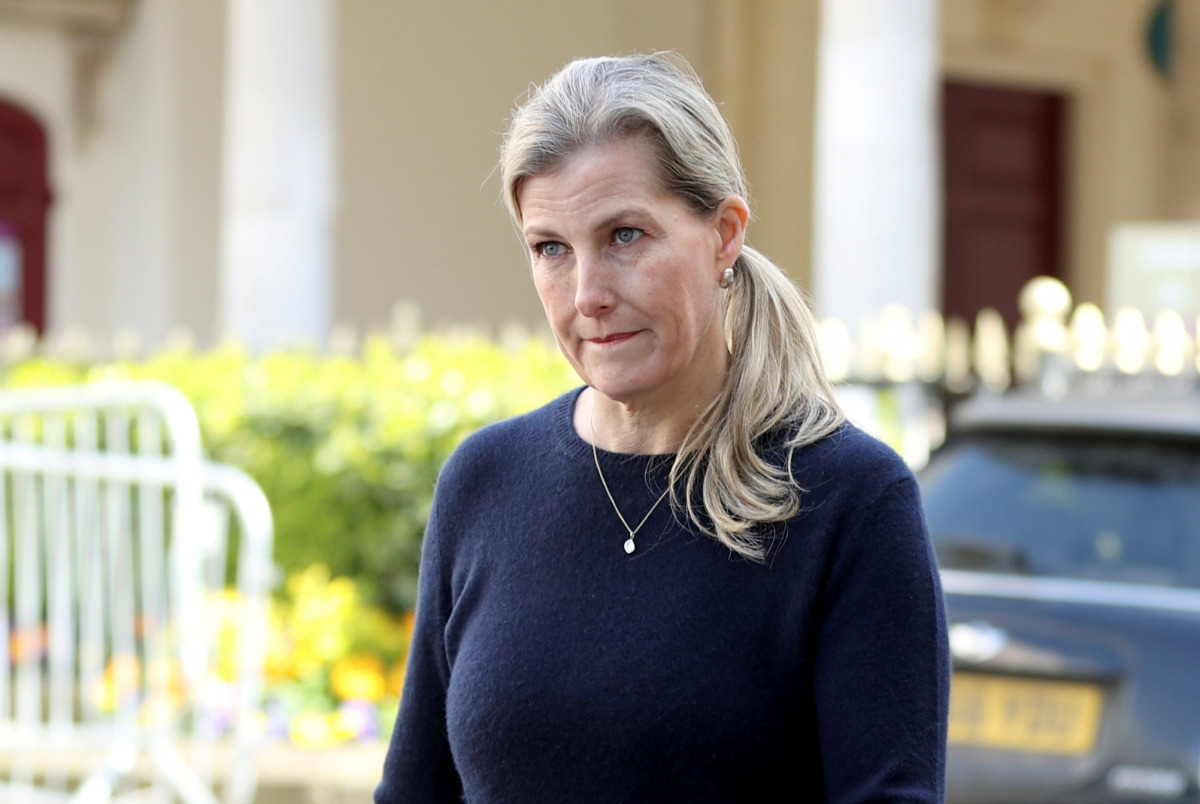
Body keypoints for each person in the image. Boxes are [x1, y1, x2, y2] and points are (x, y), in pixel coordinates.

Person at [375, 52, 948, 803]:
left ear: (724, 234)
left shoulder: (849, 499)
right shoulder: (484, 481)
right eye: (551, 249)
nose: (587, 295)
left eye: (625, 236)